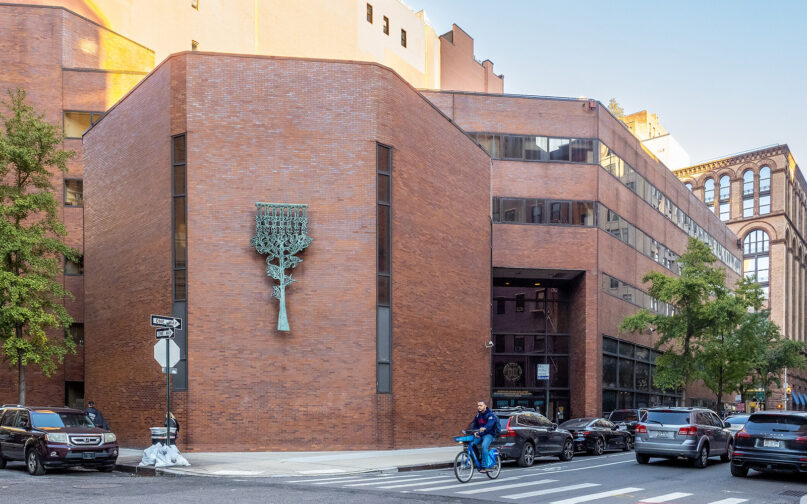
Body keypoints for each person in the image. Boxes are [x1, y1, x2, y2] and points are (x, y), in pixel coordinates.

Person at [469, 400, 499, 472]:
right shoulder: (478, 416)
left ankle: (485, 466)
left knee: (484, 446)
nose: (479, 407)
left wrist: (485, 428)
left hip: (489, 434)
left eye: (481, 405)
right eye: (478, 405)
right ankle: (478, 459)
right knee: (472, 444)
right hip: (481, 434)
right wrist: (475, 432)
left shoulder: (490, 415)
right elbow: (474, 426)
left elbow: (490, 425)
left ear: (485, 406)